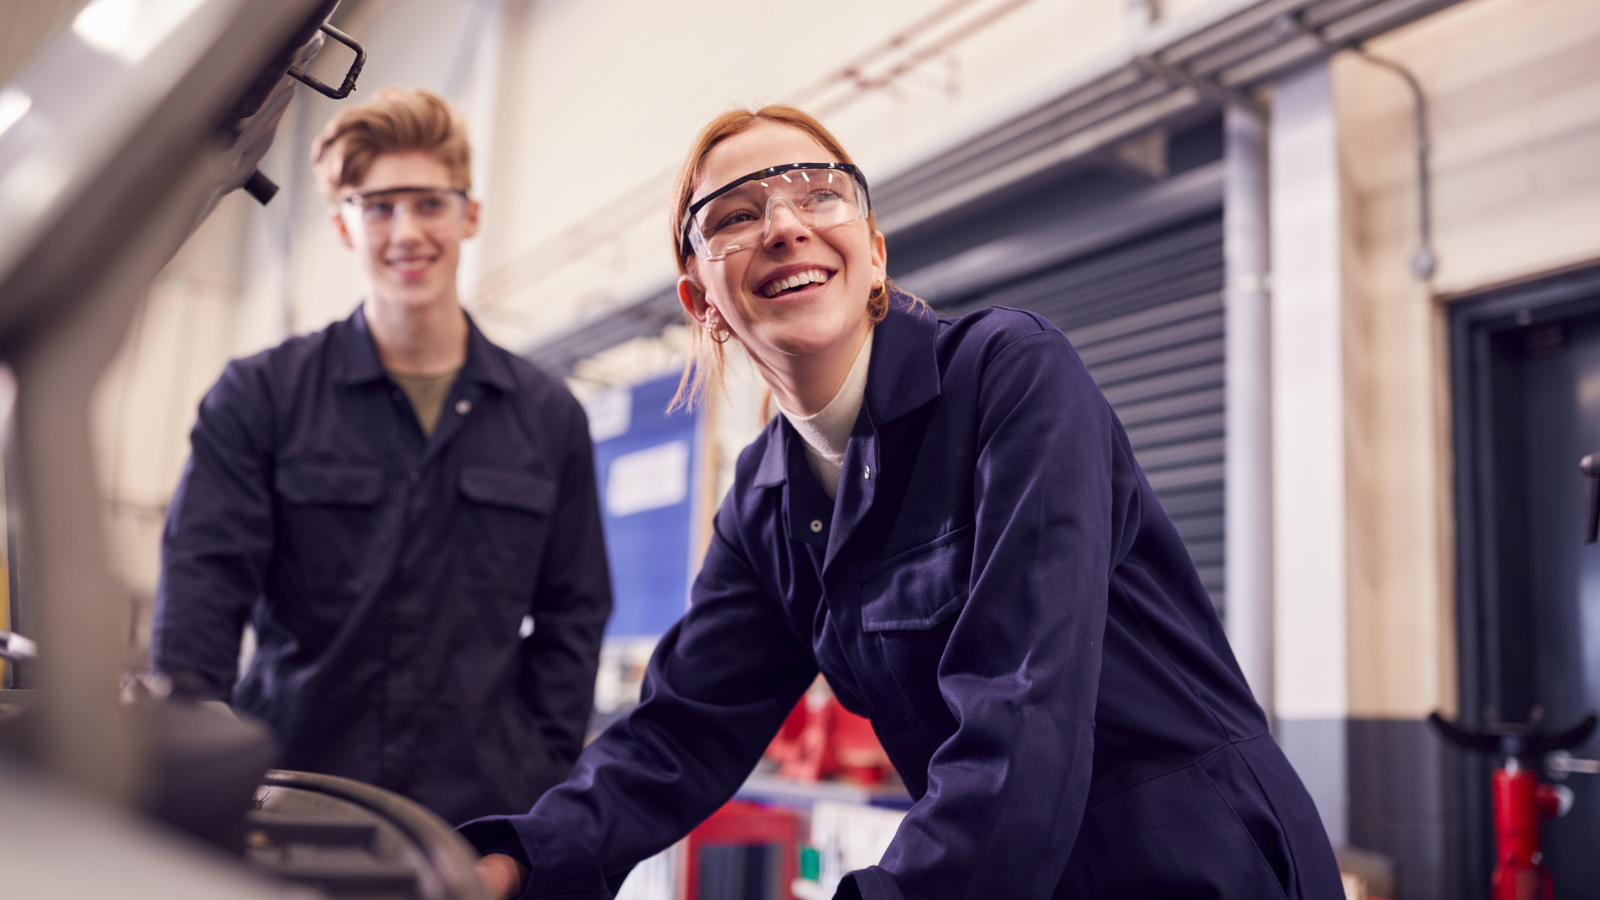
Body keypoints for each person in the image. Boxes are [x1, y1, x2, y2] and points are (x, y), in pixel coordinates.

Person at [464, 105, 1343, 899]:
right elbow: (678, 735)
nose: (783, 226)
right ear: (702, 301)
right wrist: (517, 861)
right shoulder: (766, 502)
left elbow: (1023, 708)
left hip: (1200, 862)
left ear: (874, 250)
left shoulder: (1010, 373)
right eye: (734, 215)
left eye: (818, 195)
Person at [150, 87, 612, 827]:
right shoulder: (260, 398)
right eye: (379, 206)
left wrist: (538, 765)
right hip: (285, 807)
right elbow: (201, 595)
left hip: (472, 822)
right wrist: (200, 762)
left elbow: (574, 615)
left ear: (470, 215)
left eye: (429, 204)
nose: (407, 231)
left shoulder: (547, 416)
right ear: (343, 224)